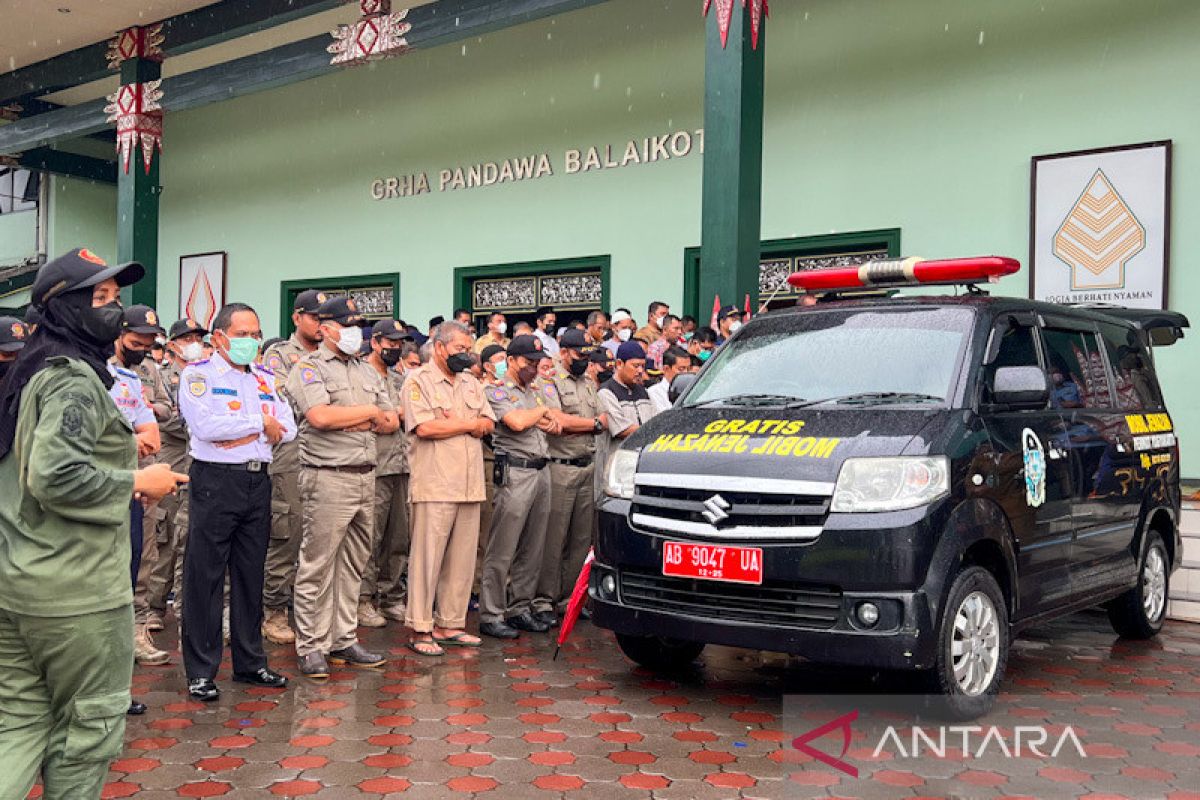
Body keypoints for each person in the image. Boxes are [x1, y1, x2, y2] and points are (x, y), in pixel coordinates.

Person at [0, 248, 186, 800]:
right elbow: (55, 476)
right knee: (89, 729)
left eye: (115, 297)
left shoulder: (27, 371)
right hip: (76, 591)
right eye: (99, 299)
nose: (115, 310)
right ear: (63, 309)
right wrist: (136, 482)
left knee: (19, 722)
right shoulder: (72, 380)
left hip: (21, 581)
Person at [177, 303, 294, 702]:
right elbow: (206, 428)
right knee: (205, 576)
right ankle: (201, 670)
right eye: (243, 334)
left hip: (257, 480)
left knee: (250, 573)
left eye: (256, 334)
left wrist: (246, 433)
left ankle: (250, 662)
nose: (251, 341)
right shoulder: (199, 376)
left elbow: (289, 428)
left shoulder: (263, 378)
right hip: (215, 481)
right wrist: (260, 424)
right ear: (221, 336)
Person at [288, 296, 399, 678]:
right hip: (328, 475)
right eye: (346, 325)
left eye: (358, 325)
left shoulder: (366, 371)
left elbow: (392, 421)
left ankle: (343, 638)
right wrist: (367, 415)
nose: (355, 332)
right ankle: (312, 645)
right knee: (317, 563)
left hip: (365, 474)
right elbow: (319, 416)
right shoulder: (308, 368)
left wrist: (353, 419)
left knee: (353, 562)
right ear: (326, 328)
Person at [403, 321, 495, 656]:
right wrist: (468, 425)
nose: (466, 355)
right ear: (439, 347)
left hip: (470, 485)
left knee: (461, 561)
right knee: (427, 560)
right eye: (459, 349)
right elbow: (425, 427)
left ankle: (450, 624)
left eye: (468, 349)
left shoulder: (471, 381)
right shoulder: (418, 380)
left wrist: (455, 424)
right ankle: (420, 627)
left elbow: (488, 422)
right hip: (435, 483)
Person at [479, 335, 564, 639]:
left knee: (533, 546)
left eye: (536, 362)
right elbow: (515, 422)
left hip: (541, 469)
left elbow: (554, 423)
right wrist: (541, 415)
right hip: (515, 471)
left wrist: (544, 417)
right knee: (503, 546)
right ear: (511, 361)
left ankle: (520, 608)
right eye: (527, 362)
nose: (533, 368)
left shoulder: (536, 391)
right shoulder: (496, 390)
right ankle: (491, 613)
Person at [260, 289, 325, 645]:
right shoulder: (280, 355)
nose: (321, 325)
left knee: (319, 534)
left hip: (327, 455)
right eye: (315, 317)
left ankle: (308, 607)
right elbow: (289, 400)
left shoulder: (333, 356)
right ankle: (274, 610)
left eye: (325, 320)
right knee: (287, 532)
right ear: (297, 318)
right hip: (291, 454)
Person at [114, 305, 176, 669]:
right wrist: (127, 439)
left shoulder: (134, 379)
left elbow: (151, 433)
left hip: (144, 477)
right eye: (138, 338)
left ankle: (137, 632)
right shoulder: (98, 374)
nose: (145, 344)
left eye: (150, 339)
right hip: (108, 479)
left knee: (143, 557)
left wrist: (134, 438)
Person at [533, 329, 605, 626]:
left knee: (580, 539)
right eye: (579, 354)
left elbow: (605, 418)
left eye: (588, 355)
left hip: (587, 464)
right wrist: (591, 424)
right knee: (554, 538)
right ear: (563, 353)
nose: (584, 360)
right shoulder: (549, 383)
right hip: (560, 467)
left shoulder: (589, 382)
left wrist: (585, 424)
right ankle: (544, 601)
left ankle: (570, 599)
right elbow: (557, 420)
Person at [143, 318, 208, 636]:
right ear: (172, 344)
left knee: (190, 538)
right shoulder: (163, 376)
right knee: (164, 538)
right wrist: (202, 424)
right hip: (171, 462)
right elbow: (166, 419)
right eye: (187, 337)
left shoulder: (205, 374)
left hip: (197, 465)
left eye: (198, 336)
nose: (194, 342)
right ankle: (154, 607)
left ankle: (186, 607)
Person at [359, 320, 413, 626]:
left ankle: (391, 596)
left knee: (398, 537)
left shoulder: (399, 375)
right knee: (370, 537)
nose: (396, 348)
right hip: (375, 465)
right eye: (390, 342)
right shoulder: (362, 374)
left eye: (399, 343)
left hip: (403, 465)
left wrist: (396, 415)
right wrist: (397, 415)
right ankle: (363, 599)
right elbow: (376, 418)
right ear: (376, 341)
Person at [595, 341, 657, 502]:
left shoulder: (643, 391)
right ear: (619, 364)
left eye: (642, 366)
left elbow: (657, 420)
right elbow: (622, 430)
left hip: (643, 466)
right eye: (635, 366)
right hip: (618, 471)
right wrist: (651, 430)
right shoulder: (606, 391)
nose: (640, 371)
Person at [649, 346, 694, 414]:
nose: (686, 373)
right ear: (666, 369)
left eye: (689, 369)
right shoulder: (654, 393)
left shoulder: (694, 389)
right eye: (681, 369)